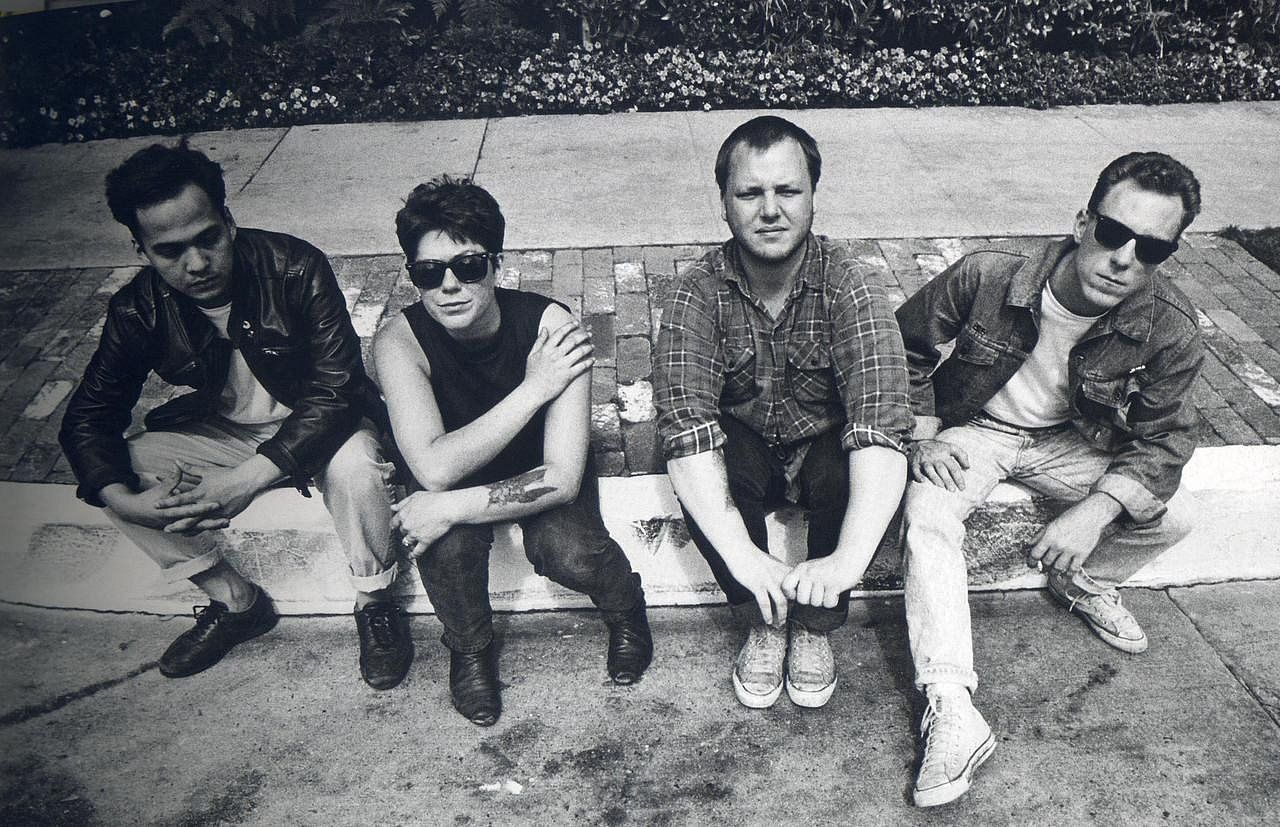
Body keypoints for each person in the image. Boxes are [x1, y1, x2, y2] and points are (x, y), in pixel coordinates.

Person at [895, 152, 1204, 806]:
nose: (1124, 259)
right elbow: (902, 350)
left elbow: (1167, 438)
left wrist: (1096, 509)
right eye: (1114, 233)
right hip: (976, 427)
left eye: (1150, 248)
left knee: (1174, 514)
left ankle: (1079, 577)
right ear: (1082, 222)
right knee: (927, 517)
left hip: (1072, 441)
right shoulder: (989, 275)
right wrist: (920, 433)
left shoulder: (1169, 326)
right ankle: (952, 705)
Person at [59, 143, 412, 689]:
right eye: (170, 251)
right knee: (118, 470)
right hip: (227, 432)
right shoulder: (137, 308)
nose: (196, 263)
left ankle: (375, 602)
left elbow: (337, 388)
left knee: (357, 469)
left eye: (208, 238)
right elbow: (88, 417)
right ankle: (236, 602)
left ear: (228, 220)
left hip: (324, 424)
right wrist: (124, 501)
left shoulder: (294, 267)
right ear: (141, 249)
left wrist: (248, 480)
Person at [653, 116, 914, 710]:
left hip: (821, 443)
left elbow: (881, 423)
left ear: (813, 195)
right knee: (710, 468)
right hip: (746, 446)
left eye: (787, 191)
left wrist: (845, 564)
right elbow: (687, 433)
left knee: (849, 465)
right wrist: (744, 557)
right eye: (750, 193)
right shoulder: (697, 291)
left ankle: (817, 627)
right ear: (725, 204)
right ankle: (763, 622)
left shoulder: (851, 284)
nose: (770, 210)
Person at [372, 176, 652, 727]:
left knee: (568, 551)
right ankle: (469, 649)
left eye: (468, 267)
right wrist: (534, 389)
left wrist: (450, 505)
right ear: (413, 276)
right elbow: (433, 468)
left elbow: (562, 478)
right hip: (452, 472)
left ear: (496, 265)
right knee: (445, 548)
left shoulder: (552, 330)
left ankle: (626, 607)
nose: (449, 286)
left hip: (536, 466)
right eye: (429, 273)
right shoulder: (398, 342)